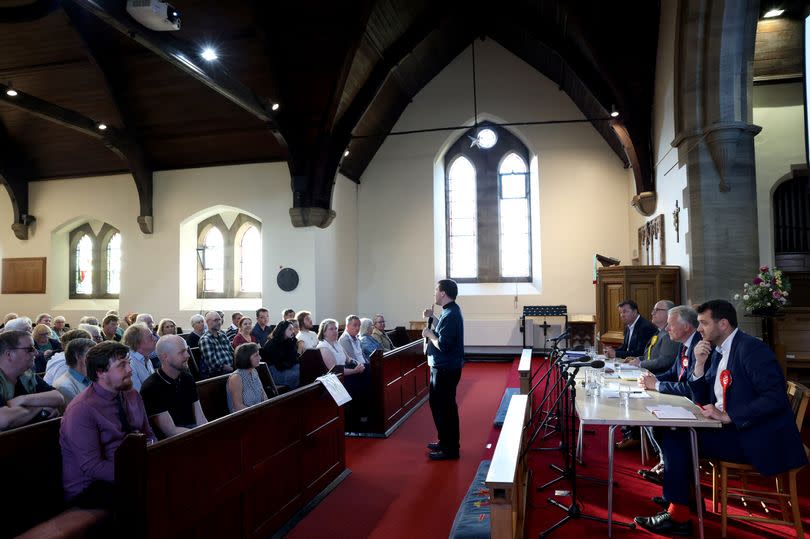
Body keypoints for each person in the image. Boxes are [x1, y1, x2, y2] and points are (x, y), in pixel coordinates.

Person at [634, 299, 808, 535]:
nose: (699, 329)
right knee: (671, 430)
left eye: (704, 323)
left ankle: (678, 517)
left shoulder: (751, 349)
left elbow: (775, 398)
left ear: (723, 324)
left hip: (755, 435)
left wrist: (729, 416)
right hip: (730, 427)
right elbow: (702, 394)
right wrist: (699, 366)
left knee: (678, 438)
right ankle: (684, 500)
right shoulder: (716, 350)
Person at [60, 342, 157, 508]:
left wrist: (155, 458)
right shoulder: (81, 409)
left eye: (129, 363)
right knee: (152, 496)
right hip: (91, 487)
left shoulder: (132, 394)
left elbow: (148, 434)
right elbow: (92, 466)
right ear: (100, 372)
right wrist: (138, 472)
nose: (129, 370)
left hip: (132, 470)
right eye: (121, 365)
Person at [636, 305, 703, 483]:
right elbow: (674, 372)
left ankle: (670, 468)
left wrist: (657, 386)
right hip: (684, 401)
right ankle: (665, 462)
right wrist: (652, 379)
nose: (666, 329)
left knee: (660, 424)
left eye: (670, 325)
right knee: (649, 416)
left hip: (696, 405)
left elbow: (690, 387)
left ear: (686, 327)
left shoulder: (698, 346)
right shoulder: (684, 344)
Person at [616, 300, 679, 450]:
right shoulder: (659, 332)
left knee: (632, 394)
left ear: (669, 314)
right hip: (650, 376)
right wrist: (639, 359)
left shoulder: (669, 335)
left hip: (660, 378)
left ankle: (638, 438)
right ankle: (633, 435)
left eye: (657, 310)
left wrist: (640, 364)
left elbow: (664, 361)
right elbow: (649, 355)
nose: (652, 313)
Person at [422, 279, 465, 461]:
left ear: (443, 293)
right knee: (438, 405)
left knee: (445, 408)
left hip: (445, 368)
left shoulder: (452, 314)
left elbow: (444, 344)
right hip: (442, 366)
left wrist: (429, 334)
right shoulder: (449, 311)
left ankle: (450, 449)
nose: (434, 294)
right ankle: (444, 441)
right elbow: (443, 330)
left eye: (436, 291)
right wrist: (433, 317)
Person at [140, 335, 207, 439]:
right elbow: (170, 431)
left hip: (193, 433)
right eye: (182, 352)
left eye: (186, 350)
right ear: (164, 357)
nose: (188, 355)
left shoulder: (187, 378)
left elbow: (200, 418)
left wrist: (210, 432)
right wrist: (203, 436)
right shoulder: (151, 387)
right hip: (172, 444)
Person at [0, 330, 65, 431]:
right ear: (9, 354)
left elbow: (58, 397)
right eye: (30, 349)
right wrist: (40, 407)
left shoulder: (26, 375)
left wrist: (23, 399)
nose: (36, 352)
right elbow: (4, 419)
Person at [227, 343, 268, 412]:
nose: (260, 358)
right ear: (246, 358)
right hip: (244, 417)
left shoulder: (254, 371)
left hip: (259, 412)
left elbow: (263, 394)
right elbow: (238, 406)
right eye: (256, 355)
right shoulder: (236, 378)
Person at [52, 338, 95, 404]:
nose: (97, 358)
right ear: (78, 357)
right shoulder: (64, 387)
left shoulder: (91, 378)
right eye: (93, 354)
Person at [260, 320, 300, 389]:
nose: (293, 331)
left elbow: (293, 359)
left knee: (304, 368)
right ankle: (294, 394)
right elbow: (280, 365)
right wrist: (292, 360)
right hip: (274, 372)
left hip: (284, 368)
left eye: (293, 329)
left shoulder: (288, 341)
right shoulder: (272, 343)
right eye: (290, 329)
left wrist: (293, 343)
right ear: (283, 330)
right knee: (298, 374)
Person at [198, 311, 234, 377]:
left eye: (219, 320)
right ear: (208, 322)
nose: (219, 322)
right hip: (218, 374)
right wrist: (233, 370)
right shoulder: (205, 339)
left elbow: (232, 352)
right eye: (216, 320)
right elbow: (213, 364)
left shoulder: (223, 335)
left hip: (231, 370)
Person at [122, 322, 156, 391]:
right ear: (137, 342)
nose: (155, 338)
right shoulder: (129, 364)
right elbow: (137, 395)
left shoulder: (146, 358)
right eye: (150, 337)